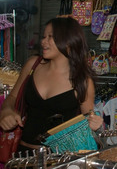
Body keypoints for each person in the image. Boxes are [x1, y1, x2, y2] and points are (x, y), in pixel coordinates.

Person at [0, 17, 103, 153]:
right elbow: (12, 98)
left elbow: (87, 123)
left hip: (59, 162)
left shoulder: (82, 81)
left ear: (68, 42)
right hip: (23, 155)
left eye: (50, 37)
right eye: (43, 37)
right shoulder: (33, 65)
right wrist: (6, 111)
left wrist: (96, 125)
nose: (43, 42)